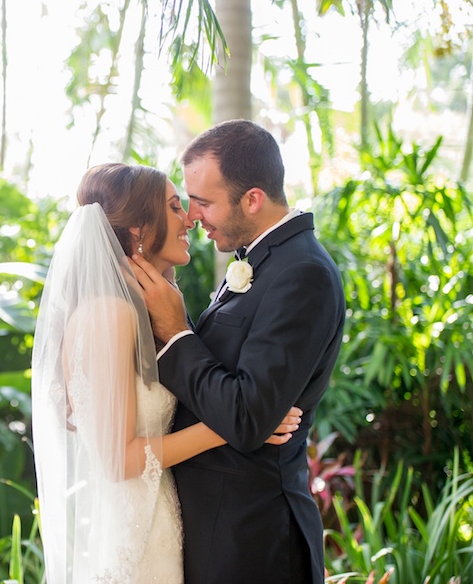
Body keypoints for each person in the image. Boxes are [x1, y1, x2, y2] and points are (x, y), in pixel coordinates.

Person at [31, 163, 301, 583]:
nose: (190, 217)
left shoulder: (143, 310)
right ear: (139, 228)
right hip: (133, 541)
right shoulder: (110, 313)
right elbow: (118, 459)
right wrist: (238, 425)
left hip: (161, 523)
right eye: (175, 207)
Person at [129, 120, 346, 583]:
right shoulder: (260, 260)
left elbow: (249, 418)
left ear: (252, 199)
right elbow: (227, 391)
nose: (192, 215)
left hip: (253, 542)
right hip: (215, 531)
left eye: (203, 202)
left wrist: (177, 334)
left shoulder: (303, 274)